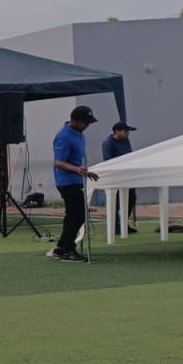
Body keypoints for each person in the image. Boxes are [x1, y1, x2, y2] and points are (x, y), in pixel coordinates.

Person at [51, 106, 101, 262]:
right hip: (67, 182)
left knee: (75, 215)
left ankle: (62, 247)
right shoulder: (64, 137)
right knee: (77, 215)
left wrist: (86, 172)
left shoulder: (79, 134)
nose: (87, 125)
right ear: (75, 121)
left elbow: (77, 159)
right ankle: (67, 249)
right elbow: (59, 162)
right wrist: (77, 170)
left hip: (76, 179)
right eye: (85, 122)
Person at [101, 121, 138, 232]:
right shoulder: (108, 143)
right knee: (115, 202)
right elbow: (107, 160)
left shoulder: (126, 141)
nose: (128, 133)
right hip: (115, 177)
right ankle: (115, 226)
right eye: (125, 131)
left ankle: (124, 223)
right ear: (117, 131)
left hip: (127, 176)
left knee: (131, 198)